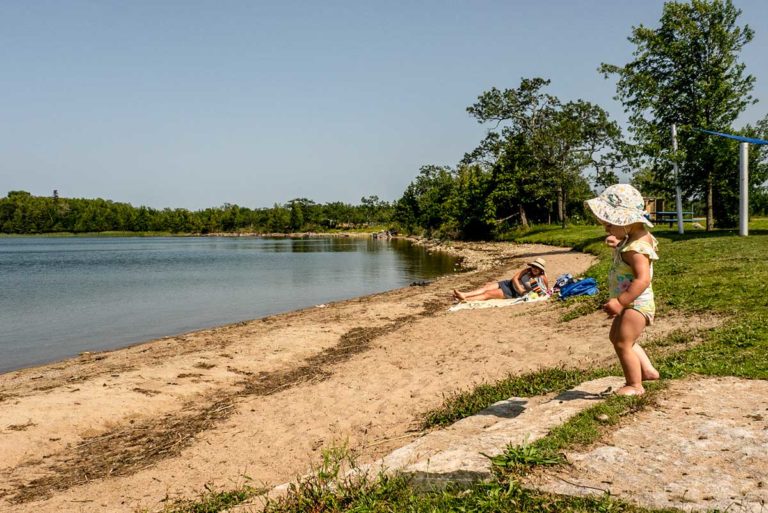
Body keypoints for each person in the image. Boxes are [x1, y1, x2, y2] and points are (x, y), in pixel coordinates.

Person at [585, 184, 660, 396]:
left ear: (627, 221)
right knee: (617, 337)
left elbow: (643, 279)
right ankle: (647, 370)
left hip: (636, 303)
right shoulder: (634, 238)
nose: (606, 229)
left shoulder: (636, 249)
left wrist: (620, 301)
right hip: (631, 302)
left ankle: (635, 385)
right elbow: (627, 244)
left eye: (610, 225)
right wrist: (617, 241)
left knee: (622, 342)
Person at [453, 258, 549, 302]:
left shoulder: (541, 278)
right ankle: (464, 294)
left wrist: (520, 291)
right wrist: (520, 288)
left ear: (541, 270)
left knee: (488, 294)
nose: (534, 269)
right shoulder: (527, 270)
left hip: (512, 292)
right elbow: (514, 278)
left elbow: (545, 290)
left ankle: (466, 300)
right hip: (508, 283)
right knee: (486, 287)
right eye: (534, 266)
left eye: (537, 268)